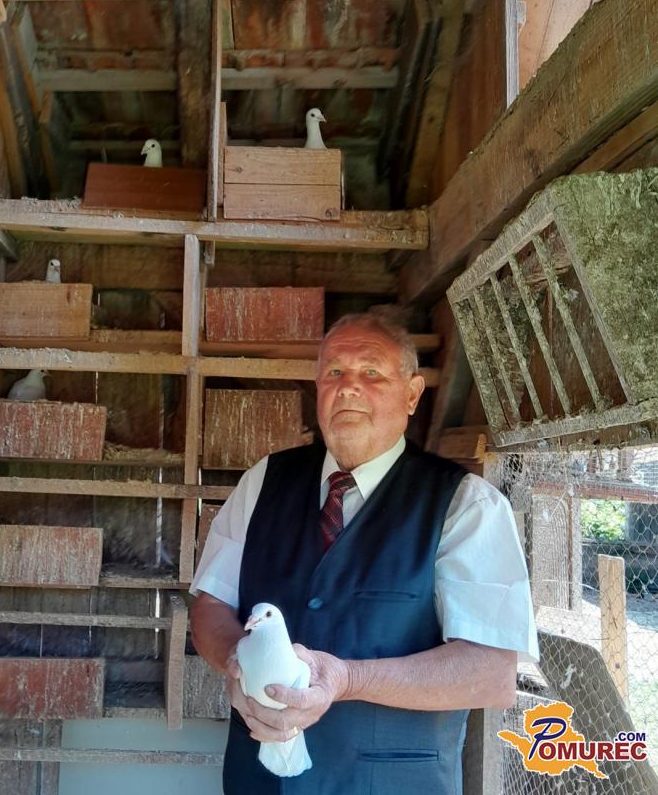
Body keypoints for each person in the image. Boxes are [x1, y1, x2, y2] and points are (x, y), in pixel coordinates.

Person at [189, 312, 539, 795]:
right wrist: (237, 662)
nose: (348, 387)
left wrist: (347, 679)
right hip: (260, 778)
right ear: (318, 388)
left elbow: (491, 674)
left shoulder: (466, 505)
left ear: (412, 394)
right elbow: (210, 603)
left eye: (371, 372)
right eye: (334, 372)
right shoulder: (264, 481)